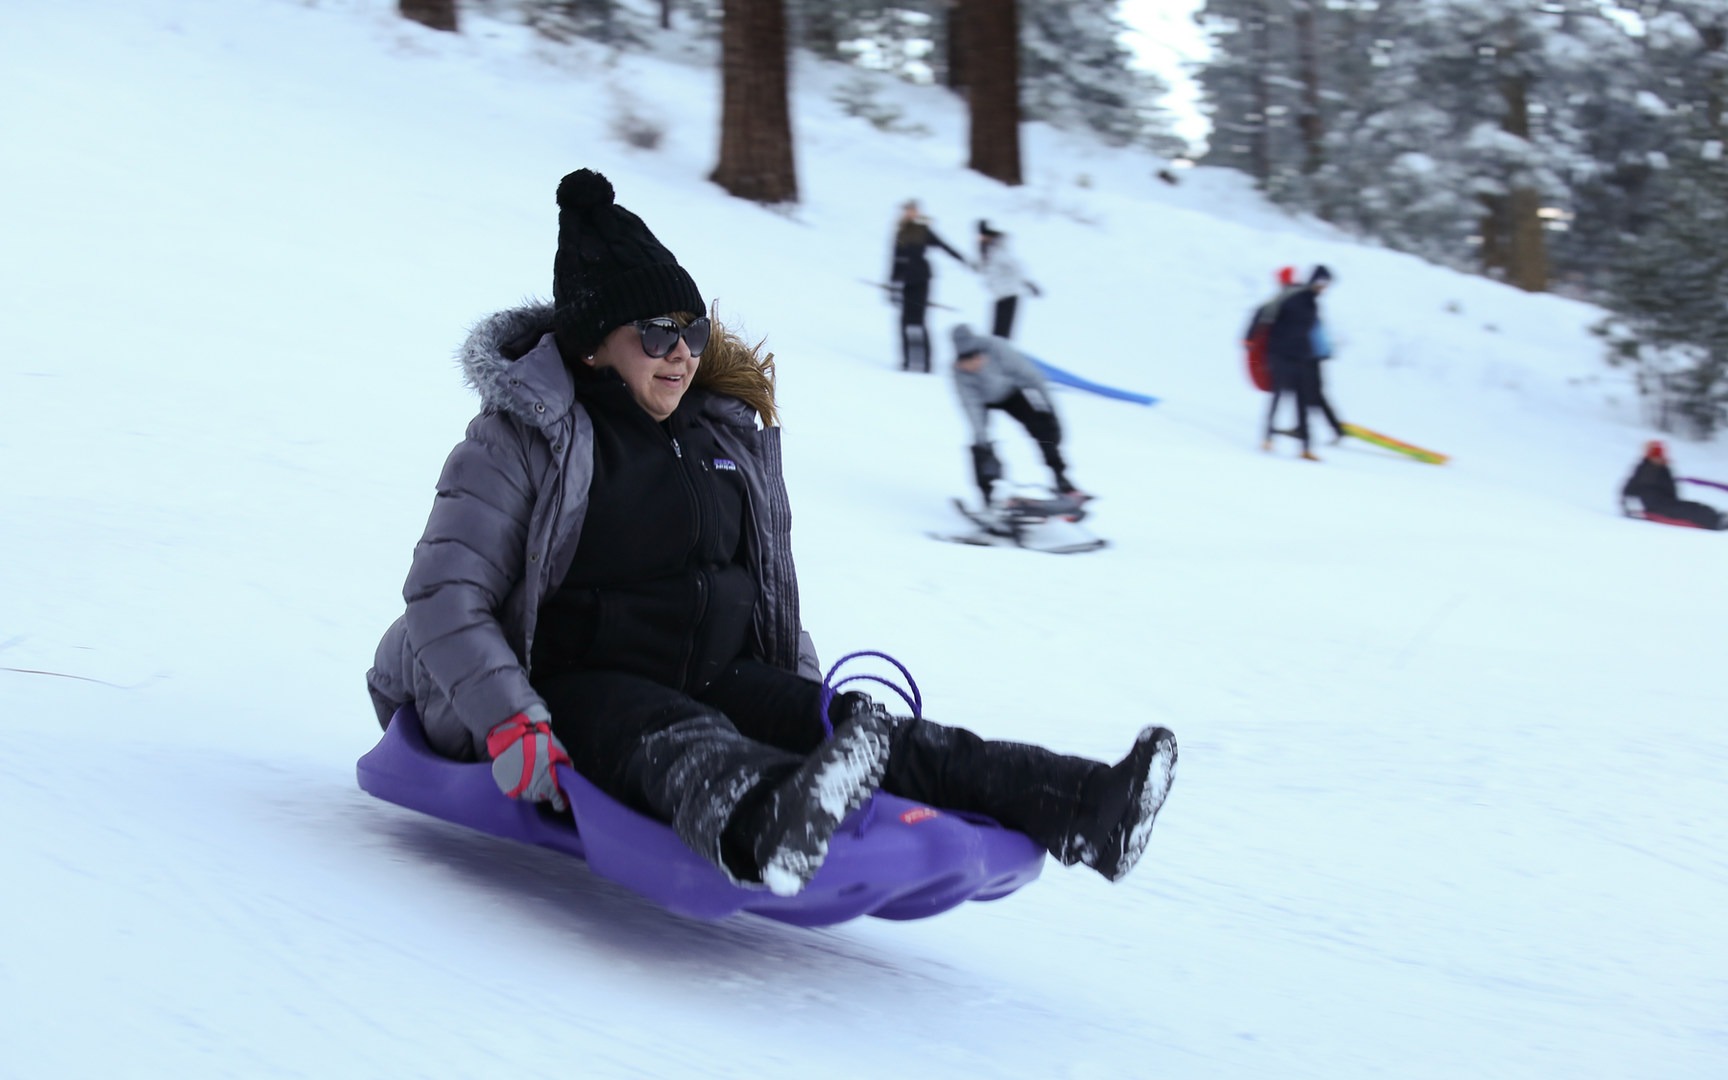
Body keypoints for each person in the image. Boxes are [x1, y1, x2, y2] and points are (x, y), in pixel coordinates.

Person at [367, 168, 1177, 901]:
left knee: (870, 730)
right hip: (570, 684)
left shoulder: (715, 438)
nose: (680, 353)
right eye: (654, 333)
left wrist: (807, 703)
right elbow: (444, 595)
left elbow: (754, 589)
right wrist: (511, 718)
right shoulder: (522, 440)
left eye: (691, 330)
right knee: (685, 744)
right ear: (591, 344)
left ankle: (1087, 806)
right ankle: (774, 825)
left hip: (713, 673)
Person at [950, 323, 1081, 506]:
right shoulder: (959, 372)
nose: (971, 367)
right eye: (965, 364)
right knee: (980, 445)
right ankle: (988, 494)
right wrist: (982, 438)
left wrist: (1050, 410)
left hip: (1011, 392)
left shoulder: (998, 349)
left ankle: (1061, 478)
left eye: (974, 360)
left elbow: (1034, 378)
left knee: (1042, 427)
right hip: (982, 401)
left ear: (981, 353)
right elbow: (970, 405)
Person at [1250, 264, 1344, 460]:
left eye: (1326, 284)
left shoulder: (1313, 303)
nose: (1323, 287)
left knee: (1302, 400)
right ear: (1314, 280)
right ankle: (1268, 438)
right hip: (1279, 354)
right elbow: (1262, 313)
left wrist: (1318, 353)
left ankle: (1305, 447)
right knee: (1278, 395)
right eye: (1322, 283)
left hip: (1301, 356)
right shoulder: (1292, 296)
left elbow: (1313, 332)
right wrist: (1251, 338)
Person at [889, 199, 966, 373]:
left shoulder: (923, 230)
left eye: (912, 210)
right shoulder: (900, 231)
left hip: (922, 280)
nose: (909, 213)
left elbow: (943, 245)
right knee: (904, 323)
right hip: (906, 282)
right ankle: (906, 361)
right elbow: (895, 260)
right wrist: (893, 285)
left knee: (919, 322)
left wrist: (961, 258)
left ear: (917, 212)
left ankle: (926, 362)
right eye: (907, 210)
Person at [1621, 440, 1726, 529]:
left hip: (1667, 502)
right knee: (1687, 512)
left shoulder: (1664, 469)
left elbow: (1670, 490)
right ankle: (1715, 522)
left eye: (1659, 456)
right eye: (1655, 456)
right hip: (1653, 507)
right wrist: (1633, 510)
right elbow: (1628, 492)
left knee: (1693, 506)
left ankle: (1718, 517)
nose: (1658, 459)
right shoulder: (1645, 470)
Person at [976, 219, 1041, 339]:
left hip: (1009, 295)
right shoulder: (990, 252)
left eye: (984, 236)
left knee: (1002, 334)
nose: (981, 239)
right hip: (1000, 296)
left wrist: (1029, 283)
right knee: (997, 334)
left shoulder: (1000, 252)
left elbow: (1019, 268)